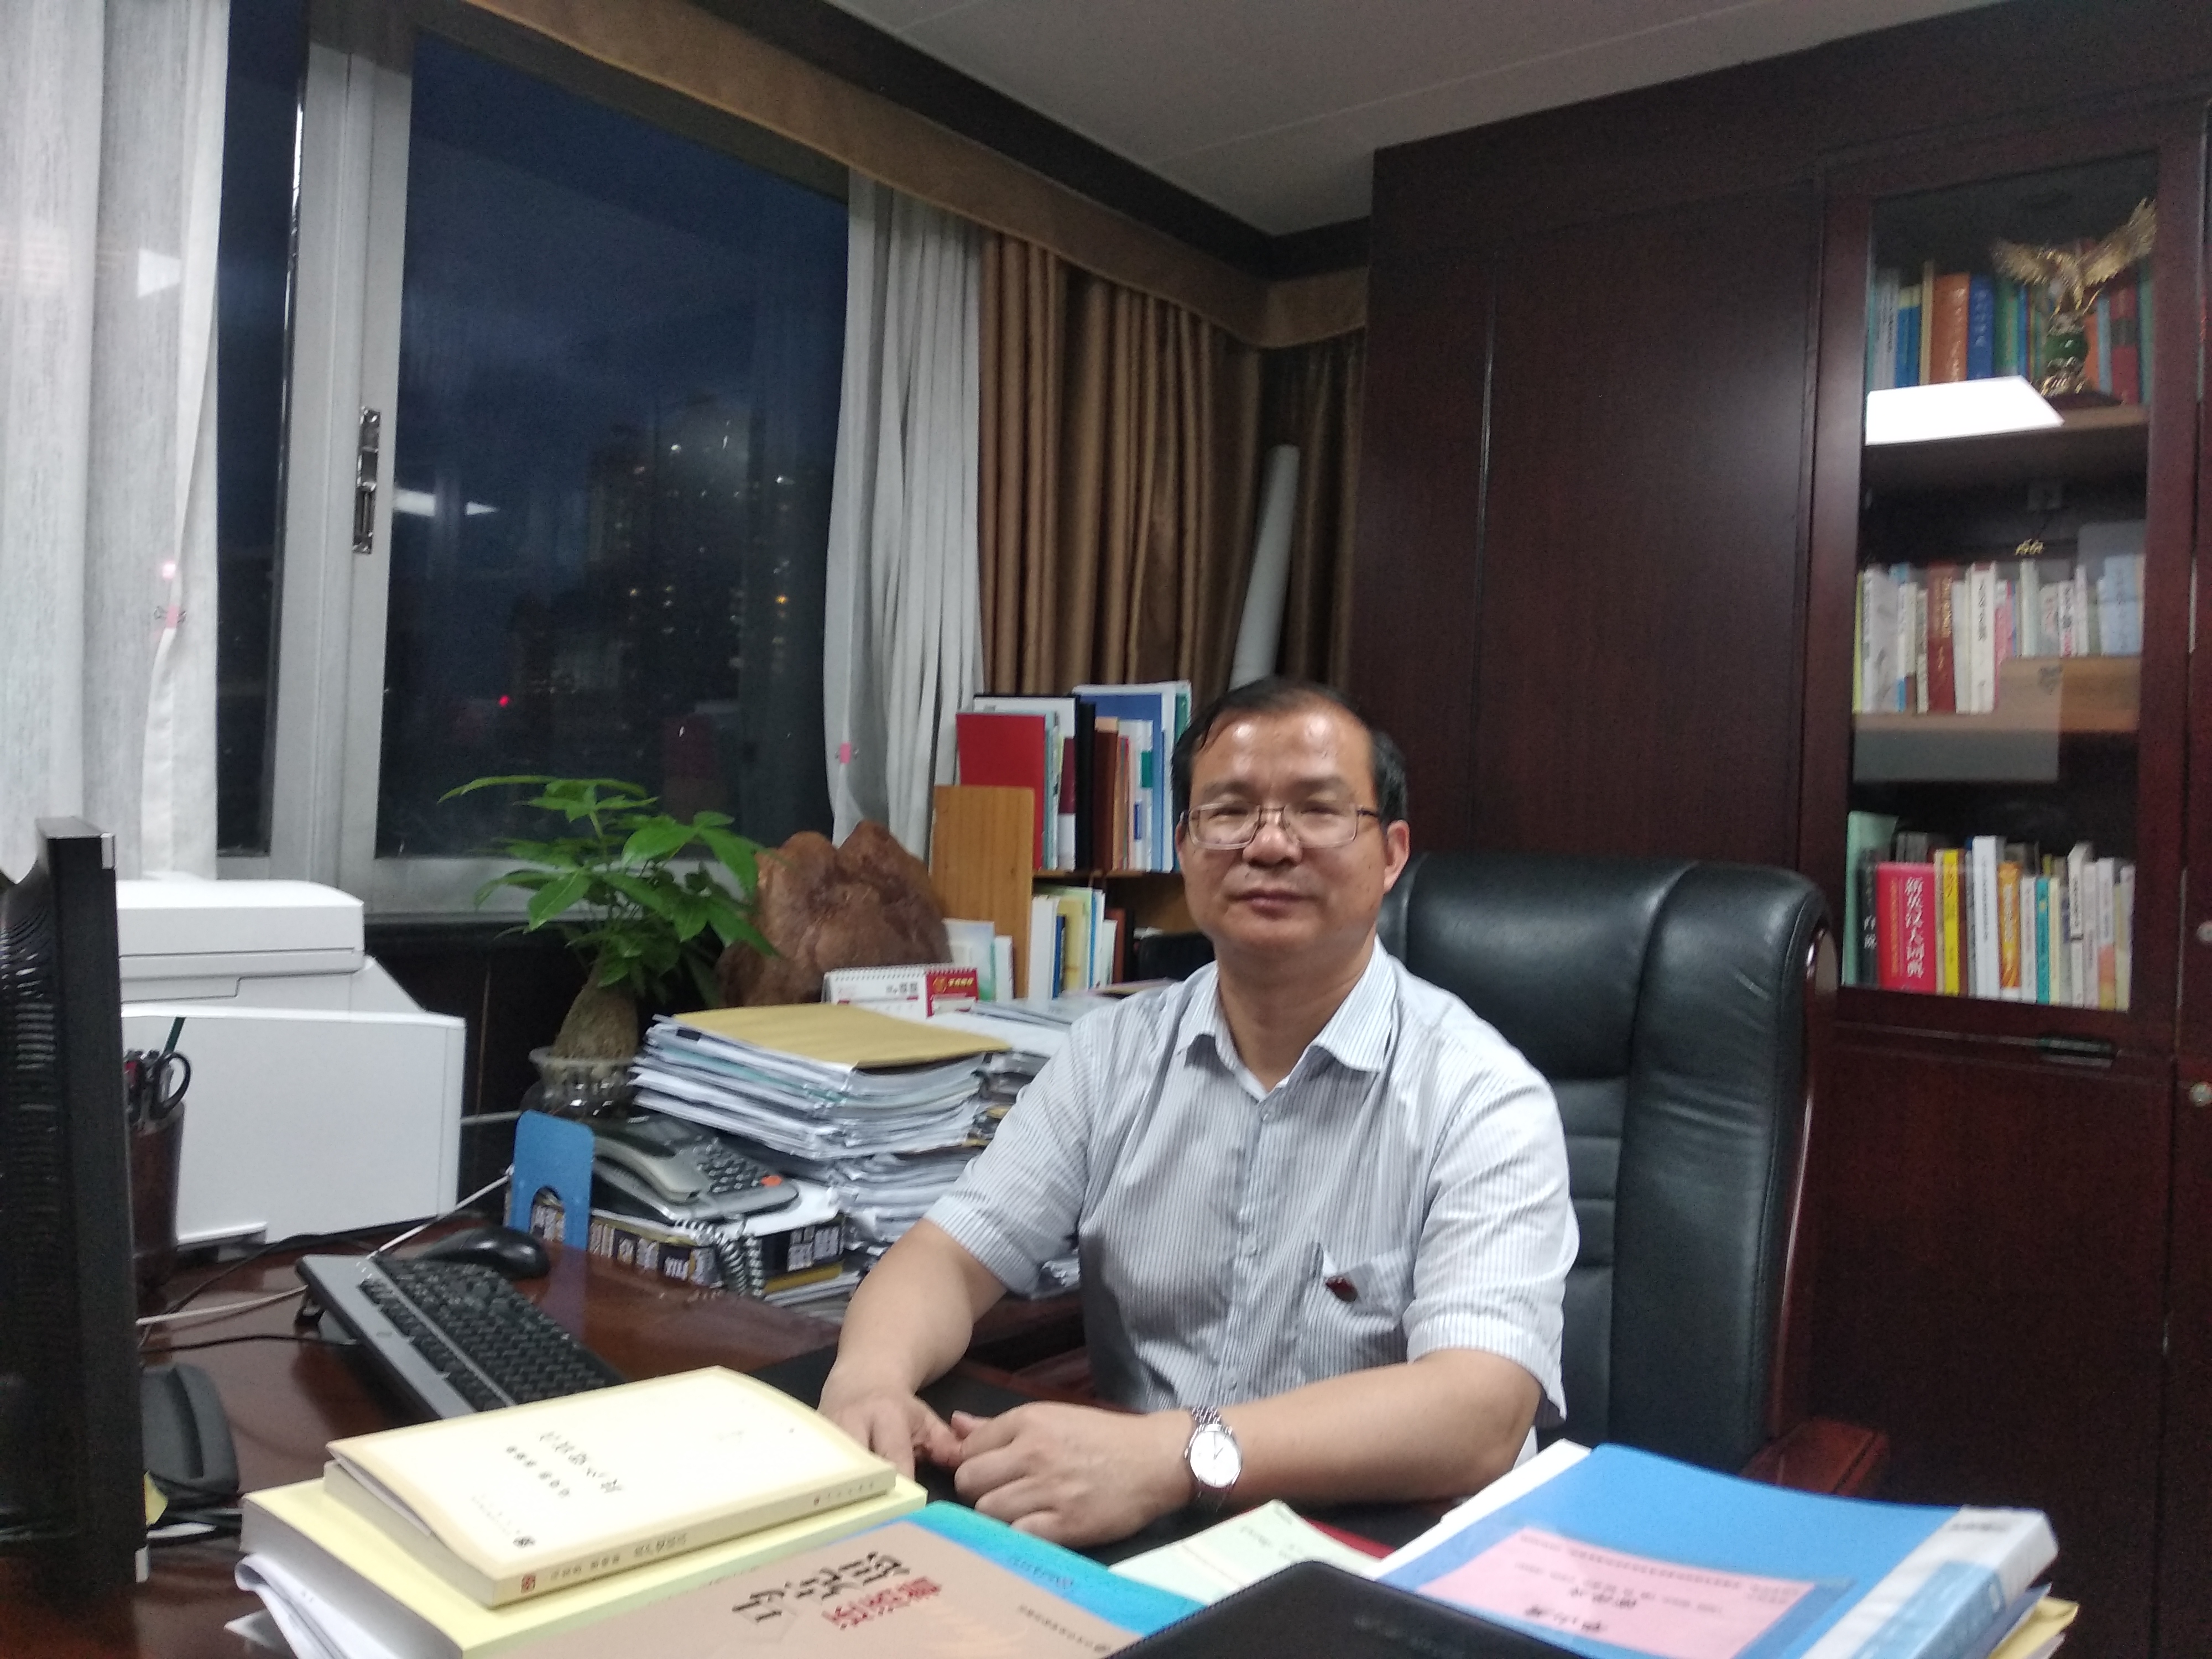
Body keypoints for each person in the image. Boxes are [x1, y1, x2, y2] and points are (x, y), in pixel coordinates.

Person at [818, 677, 1577, 1546]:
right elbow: (950, 1258)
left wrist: (1177, 1455)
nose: (1270, 844)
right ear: (1184, 845)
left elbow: (1479, 1410)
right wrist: (869, 1377)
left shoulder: (1481, 1096)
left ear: (1391, 853)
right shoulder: (1110, 1058)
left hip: (1386, 1548)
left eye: (1319, 810)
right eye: (1230, 812)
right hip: (1148, 1528)